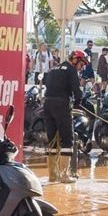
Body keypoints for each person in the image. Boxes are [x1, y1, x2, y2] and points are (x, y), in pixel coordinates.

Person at [41, 51, 86, 183]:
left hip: (47, 104)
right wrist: (78, 103)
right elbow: (77, 91)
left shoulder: (53, 68)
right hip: (61, 104)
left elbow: (46, 85)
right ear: (75, 60)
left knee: (52, 140)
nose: (81, 67)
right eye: (81, 64)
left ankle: (52, 175)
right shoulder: (71, 70)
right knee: (67, 139)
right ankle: (64, 175)